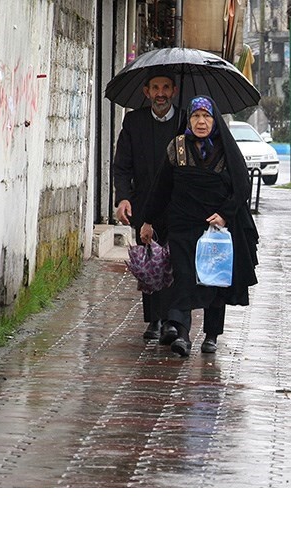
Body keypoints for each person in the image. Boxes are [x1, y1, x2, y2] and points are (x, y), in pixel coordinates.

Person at [140, 96, 259, 357]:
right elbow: (162, 186)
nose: (201, 122)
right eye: (196, 116)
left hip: (215, 228)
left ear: (214, 120)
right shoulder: (178, 147)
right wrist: (148, 219)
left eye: (206, 116)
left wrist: (224, 215)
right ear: (189, 120)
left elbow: (241, 188)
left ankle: (212, 335)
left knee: (213, 280)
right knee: (183, 276)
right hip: (182, 224)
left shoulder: (226, 149)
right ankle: (182, 334)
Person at [113, 69, 184, 341]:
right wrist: (123, 198)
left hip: (176, 203)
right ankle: (153, 320)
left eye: (166, 87)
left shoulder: (184, 121)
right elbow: (122, 166)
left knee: (174, 260)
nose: (161, 93)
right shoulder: (133, 122)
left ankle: (170, 320)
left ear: (174, 91)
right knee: (150, 261)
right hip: (143, 203)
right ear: (147, 92)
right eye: (155, 88)